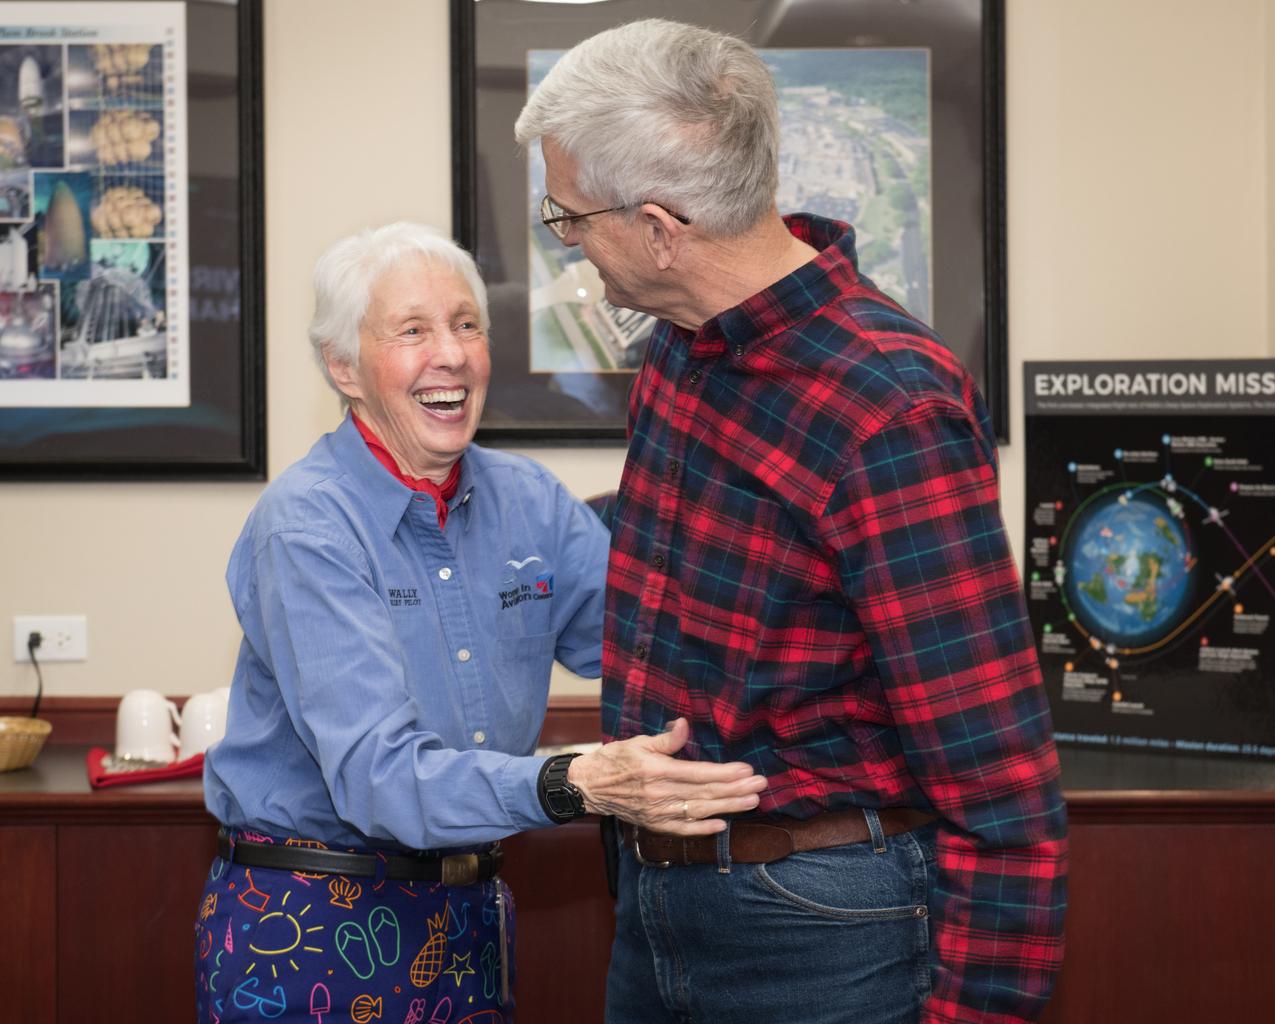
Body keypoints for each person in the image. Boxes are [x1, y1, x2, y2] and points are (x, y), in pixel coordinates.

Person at [516, 20, 1068, 1024]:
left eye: (568, 216)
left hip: (815, 925)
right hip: (652, 902)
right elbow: (712, 569)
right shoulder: (682, 351)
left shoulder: (886, 404)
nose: (566, 240)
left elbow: (999, 777)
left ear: (656, 225)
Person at [195, 222, 766, 1024]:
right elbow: (378, 779)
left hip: (469, 913)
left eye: (468, 324)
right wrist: (578, 781)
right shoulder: (307, 527)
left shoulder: (528, 500)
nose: (453, 355)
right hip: (311, 917)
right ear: (343, 366)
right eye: (414, 330)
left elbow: (655, 642)